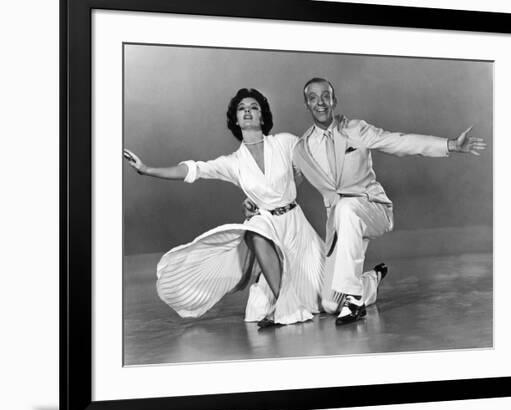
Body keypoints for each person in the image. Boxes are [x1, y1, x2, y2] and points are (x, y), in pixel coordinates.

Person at [124, 88, 328, 328]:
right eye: (242, 109)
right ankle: (287, 305)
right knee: (253, 230)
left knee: (330, 299)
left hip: (296, 226)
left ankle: (365, 281)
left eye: (253, 107)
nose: (248, 111)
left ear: (263, 117)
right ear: (236, 119)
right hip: (267, 225)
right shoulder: (233, 162)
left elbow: (307, 169)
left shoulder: (285, 142)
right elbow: (195, 170)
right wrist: (147, 169)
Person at [291, 77, 487, 325]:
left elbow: (399, 140)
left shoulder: (355, 129)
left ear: (334, 100)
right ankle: (371, 280)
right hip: (340, 225)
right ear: (306, 104)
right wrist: (254, 204)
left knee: (347, 207)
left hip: (373, 209)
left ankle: (353, 300)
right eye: (313, 98)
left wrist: (449, 145)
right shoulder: (301, 149)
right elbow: (286, 185)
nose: (320, 102)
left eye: (325, 96)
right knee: (329, 305)